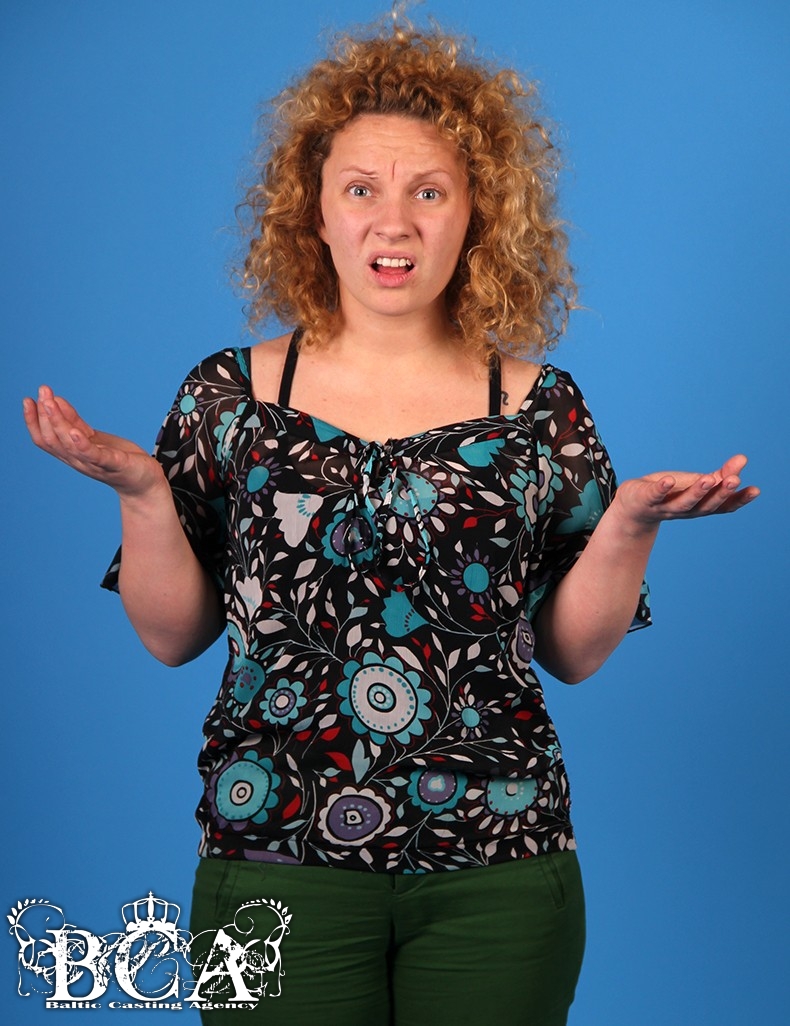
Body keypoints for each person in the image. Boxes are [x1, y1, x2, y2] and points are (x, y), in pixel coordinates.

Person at [23, 21, 758, 1026]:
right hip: (273, 863)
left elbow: (574, 654)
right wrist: (146, 495)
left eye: (430, 192)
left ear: (477, 213)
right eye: (362, 189)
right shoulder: (226, 398)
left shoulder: (540, 408)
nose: (395, 223)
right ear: (314, 213)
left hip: (499, 868)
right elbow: (171, 636)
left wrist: (629, 523)